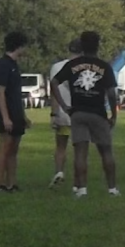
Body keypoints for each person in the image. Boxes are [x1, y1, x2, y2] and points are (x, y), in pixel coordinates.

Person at [52, 30, 120, 197]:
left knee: (80, 152)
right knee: (106, 151)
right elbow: (111, 93)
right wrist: (113, 114)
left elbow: (54, 82)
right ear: (98, 46)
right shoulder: (104, 66)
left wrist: (64, 105)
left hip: (77, 113)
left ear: (81, 46)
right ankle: (112, 189)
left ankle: (81, 189)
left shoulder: (72, 65)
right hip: (98, 112)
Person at [0, 30, 30, 192]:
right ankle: (0, 184)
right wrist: (6, 117)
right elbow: (0, 92)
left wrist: (23, 116)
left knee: (14, 149)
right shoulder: (3, 64)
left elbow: (15, 93)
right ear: (18, 46)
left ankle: (12, 183)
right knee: (5, 147)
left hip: (16, 112)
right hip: (6, 113)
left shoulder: (15, 65)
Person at [48, 40, 82, 187]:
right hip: (79, 113)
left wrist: (54, 114)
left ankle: (59, 172)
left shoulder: (56, 67)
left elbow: (53, 92)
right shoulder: (83, 67)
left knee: (60, 146)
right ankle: (78, 180)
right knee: (79, 148)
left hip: (62, 113)